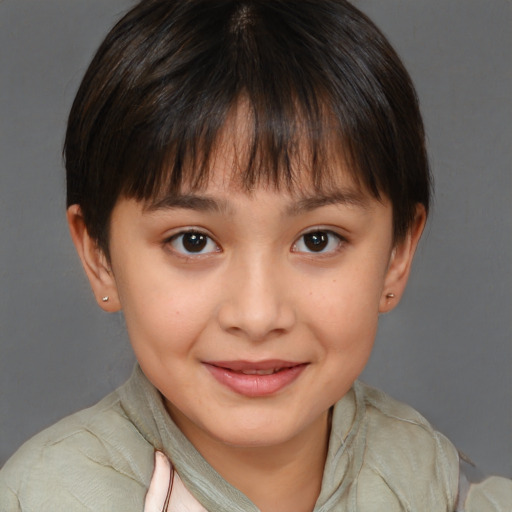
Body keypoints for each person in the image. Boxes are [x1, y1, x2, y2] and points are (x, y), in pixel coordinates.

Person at [0, 0, 510, 510]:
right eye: (192, 241)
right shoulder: (45, 495)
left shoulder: (438, 486)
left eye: (318, 240)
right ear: (99, 256)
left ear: (397, 254)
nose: (258, 315)